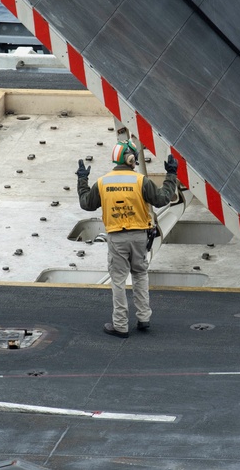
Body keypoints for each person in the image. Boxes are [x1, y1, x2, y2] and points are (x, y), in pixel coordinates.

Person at [76, 140, 179, 338]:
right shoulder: (141, 181)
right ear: (131, 159)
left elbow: (86, 203)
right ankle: (144, 318)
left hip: (117, 237)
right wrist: (171, 175)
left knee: (119, 280)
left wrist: (82, 179)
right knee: (140, 275)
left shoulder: (104, 182)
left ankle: (120, 325)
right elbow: (163, 198)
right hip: (140, 236)